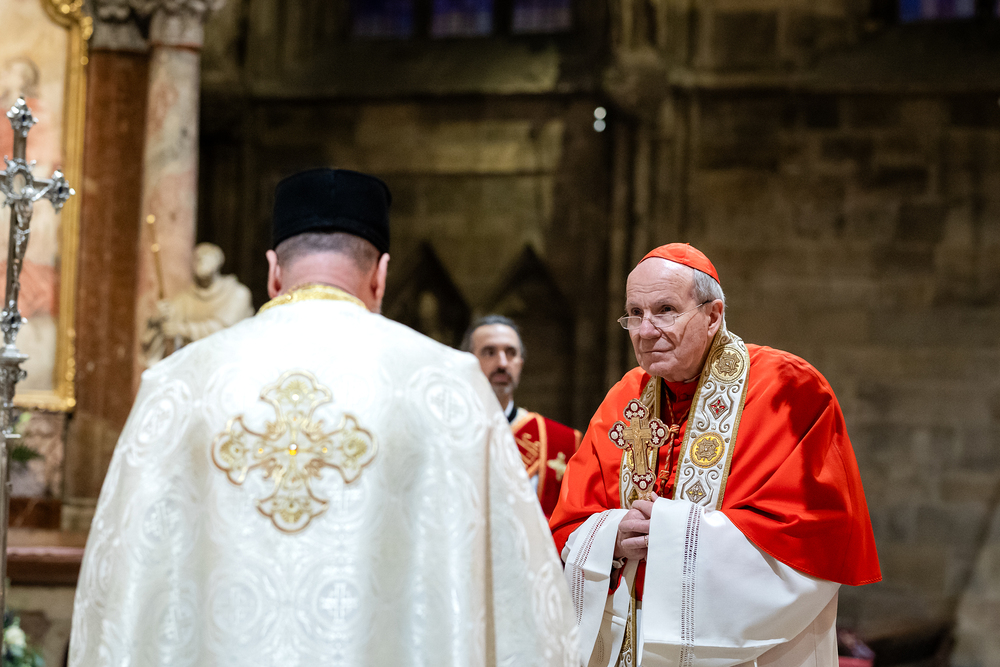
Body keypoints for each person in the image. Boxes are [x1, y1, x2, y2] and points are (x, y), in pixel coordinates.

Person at [69, 169, 578, 666]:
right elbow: (523, 609)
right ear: (380, 275)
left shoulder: (178, 386)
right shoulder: (449, 387)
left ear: (273, 271)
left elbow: (119, 600)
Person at [550, 243, 881, 667]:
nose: (645, 330)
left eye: (665, 310)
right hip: (630, 638)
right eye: (634, 313)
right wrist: (612, 535)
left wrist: (671, 532)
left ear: (713, 316)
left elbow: (812, 538)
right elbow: (568, 524)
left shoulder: (789, 390)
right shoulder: (624, 398)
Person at [461, 315, 581, 518]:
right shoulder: (444, 434)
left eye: (511, 353)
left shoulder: (560, 441)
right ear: (468, 363)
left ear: (520, 363)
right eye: (489, 352)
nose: (502, 363)